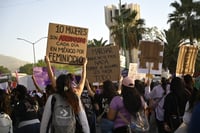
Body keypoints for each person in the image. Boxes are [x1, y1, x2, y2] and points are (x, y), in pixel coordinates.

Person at [40, 56, 89, 133]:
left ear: (57, 85)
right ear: (70, 84)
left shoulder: (53, 98)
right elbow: (83, 79)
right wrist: (84, 65)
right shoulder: (76, 94)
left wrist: (48, 63)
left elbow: (51, 76)